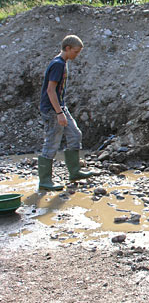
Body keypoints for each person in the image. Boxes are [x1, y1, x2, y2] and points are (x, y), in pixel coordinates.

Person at [38, 35, 93, 191]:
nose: (77, 55)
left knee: (75, 134)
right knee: (52, 141)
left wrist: (61, 110)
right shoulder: (58, 64)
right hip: (52, 109)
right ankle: (45, 180)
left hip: (60, 107)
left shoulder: (63, 63)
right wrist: (58, 113)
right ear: (67, 48)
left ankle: (74, 172)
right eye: (76, 52)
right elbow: (50, 90)